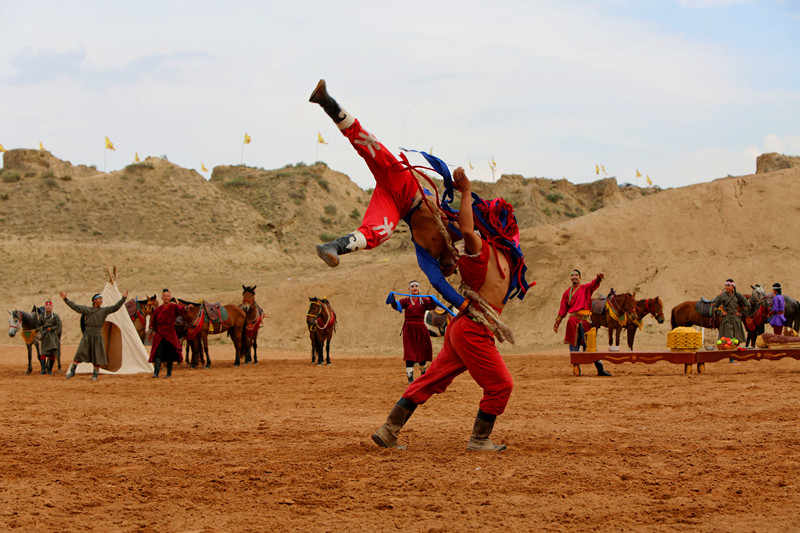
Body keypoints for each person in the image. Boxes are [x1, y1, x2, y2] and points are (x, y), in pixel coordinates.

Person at [372, 167, 519, 452]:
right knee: (502, 385)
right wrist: (465, 191)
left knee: (431, 380)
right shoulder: (481, 249)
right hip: (473, 329)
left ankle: (388, 429)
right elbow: (465, 230)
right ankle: (478, 440)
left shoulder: (502, 257)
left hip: (463, 328)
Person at [309, 79, 468, 314]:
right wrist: (466, 189)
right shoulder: (455, 231)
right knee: (367, 143)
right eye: (450, 265)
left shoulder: (427, 255)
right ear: (456, 260)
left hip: (396, 205)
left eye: (445, 266)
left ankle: (332, 247)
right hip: (402, 180)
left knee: (379, 234)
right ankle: (326, 101)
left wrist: (462, 305)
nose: (449, 263)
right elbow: (474, 227)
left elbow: (437, 283)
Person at [554, 270, 612, 376]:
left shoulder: (586, 288)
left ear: (580, 277)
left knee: (591, 345)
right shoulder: (567, 293)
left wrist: (598, 279)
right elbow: (563, 309)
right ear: (570, 278)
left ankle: (600, 369)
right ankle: (576, 369)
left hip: (585, 321)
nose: (574, 277)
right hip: (572, 321)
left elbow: (594, 284)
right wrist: (557, 322)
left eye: (576, 275)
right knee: (573, 345)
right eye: (572, 275)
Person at [61, 290, 128, 381]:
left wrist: (123, 298)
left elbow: (115, 307)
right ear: (94, 301)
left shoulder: (104, 311)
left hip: (97, 336)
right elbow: (75, 307)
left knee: (97, 355)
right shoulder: (87, 310)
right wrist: (66, 299)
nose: (101, 301)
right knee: (80, 353)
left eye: (101, 299)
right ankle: (72, 371)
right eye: (99, 299)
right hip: (87, 336)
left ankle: (95, 374)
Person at [387, 280, 439, 384]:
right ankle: (410, 379)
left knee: (422, 352)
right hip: (409, 329)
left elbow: (432, 307)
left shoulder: (424, 300)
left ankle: (423, 375)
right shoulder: (406, 300)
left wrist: (433, 300)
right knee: (410, 353)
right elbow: (397, 306)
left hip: (421, 328)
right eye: (412, 286)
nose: (414, 288)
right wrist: (392, 300)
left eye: (416, 286)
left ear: (419, 288)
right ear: (409, 289)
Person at [147, 289, 186, 378]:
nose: (166, 298)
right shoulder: (157, 309)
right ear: (162, 298)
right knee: (158, 353)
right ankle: (156, 373)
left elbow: (182, 309)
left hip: (170, 333)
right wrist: (150, 329)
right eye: (164, 296)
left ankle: (169, 373)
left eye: (167, 296)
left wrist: (187, 307)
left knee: (170, 354)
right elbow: (153, 321)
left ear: (170, 297)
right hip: (160, 333)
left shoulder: (174, 307)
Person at [710, 279, 749, 346]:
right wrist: (721, 313)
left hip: (736, 319)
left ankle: (735, 355)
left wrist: (741, 313)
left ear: (733, 286)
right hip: (727, 320)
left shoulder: (738, 295)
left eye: (729, 285)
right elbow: (714, 306)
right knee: (728, 340)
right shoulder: (722, 296)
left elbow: (747, 304)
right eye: (726, 285)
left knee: (737, 340)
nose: (727, 287)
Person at [38, 299, 61, 375]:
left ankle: (49, 370)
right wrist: (41, 332)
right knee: (43, 353)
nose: (48, 307)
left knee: (52, 353)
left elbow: (58, 325)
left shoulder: (55, 316)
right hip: (45, 336)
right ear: (45, 307)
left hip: (52, 336)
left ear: (52, 307)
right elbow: (38, 325)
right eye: (46, 305)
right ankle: (43, 370)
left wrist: (52, 328)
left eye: (49, 305)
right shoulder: (42, 316)